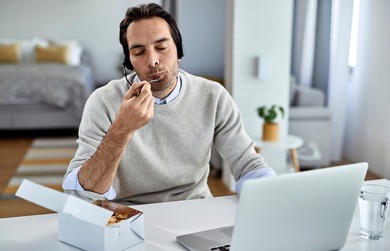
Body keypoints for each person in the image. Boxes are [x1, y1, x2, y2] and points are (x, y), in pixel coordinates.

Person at [62, 3, 276, 204]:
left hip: (195, 211)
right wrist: (122, 129)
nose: (152, 61)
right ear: (129, 61)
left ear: (179, 51)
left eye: (162, 47)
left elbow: (247, 163)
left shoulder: (213, 96)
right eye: (138, 52)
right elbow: (80, 194)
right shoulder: (103, 101)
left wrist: (272, 196)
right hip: (127, 218)